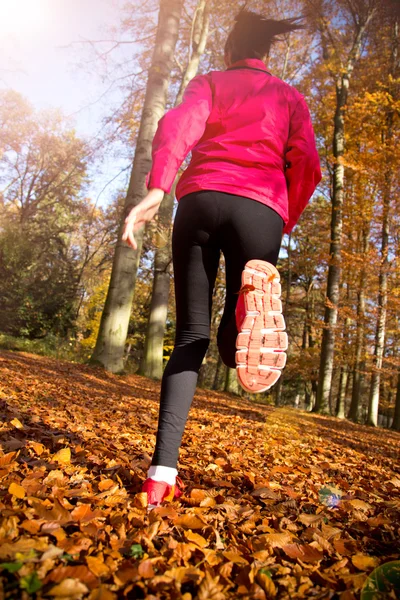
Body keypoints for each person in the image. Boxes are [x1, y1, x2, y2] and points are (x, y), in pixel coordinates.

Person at [122, 10, 321, 509]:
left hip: (200, 200)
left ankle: (160, 477)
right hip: (262, 206)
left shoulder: (211, 82)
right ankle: (245, 328)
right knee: (239, 331)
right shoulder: (289, 96)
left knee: (191, 336)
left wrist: (155, 190)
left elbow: (178, 126)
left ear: (230, 51)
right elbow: (308, 164)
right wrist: (281, 218)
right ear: (266, 56)